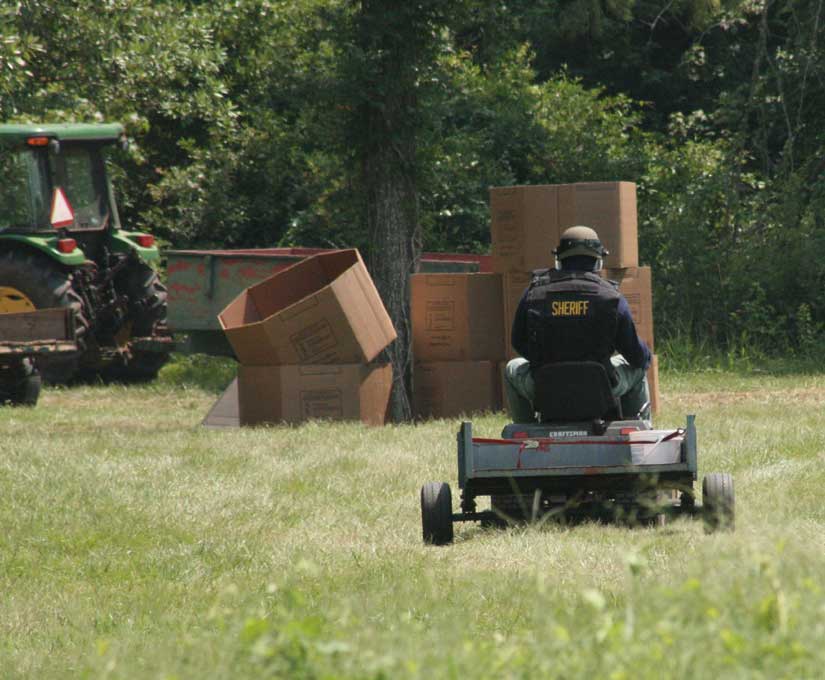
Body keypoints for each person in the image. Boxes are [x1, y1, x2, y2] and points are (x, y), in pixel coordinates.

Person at [504, 225, 651, 423]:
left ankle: (527, 433)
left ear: (559, 260)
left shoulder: (534, 292)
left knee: (512, 367)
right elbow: (637, 356)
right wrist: (645, 357)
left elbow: (518, 342)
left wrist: (544, 362)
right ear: (598, 261)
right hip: (601, 387)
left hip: (545, 385)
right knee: (638, 368)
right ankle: (637, 433)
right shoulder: (611, 297)